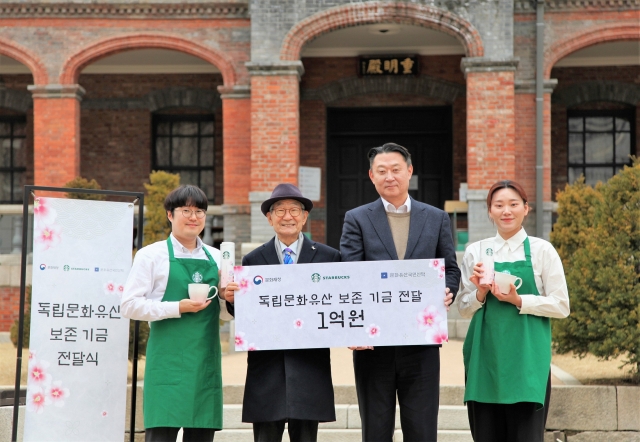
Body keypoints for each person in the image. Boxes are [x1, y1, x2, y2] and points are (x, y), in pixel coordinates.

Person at [340, 142, 461, 442]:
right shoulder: (356, 218)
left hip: (421, 345)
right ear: (371, 176)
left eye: (396, 169)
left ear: (409, 171)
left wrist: (447, 290)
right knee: (376, 431)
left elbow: (451, 269)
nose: (389, 176)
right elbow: (350, 277)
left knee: (422, 431)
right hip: (373, 347)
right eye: (382, 171)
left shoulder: (435, 218)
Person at [224, 183, 339, 442]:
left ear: (305, 216)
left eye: (295, 210)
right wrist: (233, 300)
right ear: (269, 217)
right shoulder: (253, 260)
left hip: (310, 368)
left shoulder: (329, 258)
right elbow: (247, 314)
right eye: (280, 210)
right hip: (267, 370)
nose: (288, 216)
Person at [457, 179, 570, 442]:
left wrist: (519, 301)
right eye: (499, 205)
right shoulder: (476, 252)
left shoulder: (543, 251)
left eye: (513, 204)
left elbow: (561, 305)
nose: (506, 211)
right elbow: (463, 308)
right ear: (489, 211)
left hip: (527, 360)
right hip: (485, 357)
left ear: (526, 209)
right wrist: (480, 293)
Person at [121, 185, 233, 442]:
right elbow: (128, 305)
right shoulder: (151, 255)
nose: (194, 217)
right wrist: (176, 307)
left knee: (201, 434)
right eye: (186, 211)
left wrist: (229, 300)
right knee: (161, 433)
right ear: (170, 215)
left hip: (205, 360)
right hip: (167, 363)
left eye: (200, 212)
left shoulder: (217, 258)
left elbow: (225, 316)